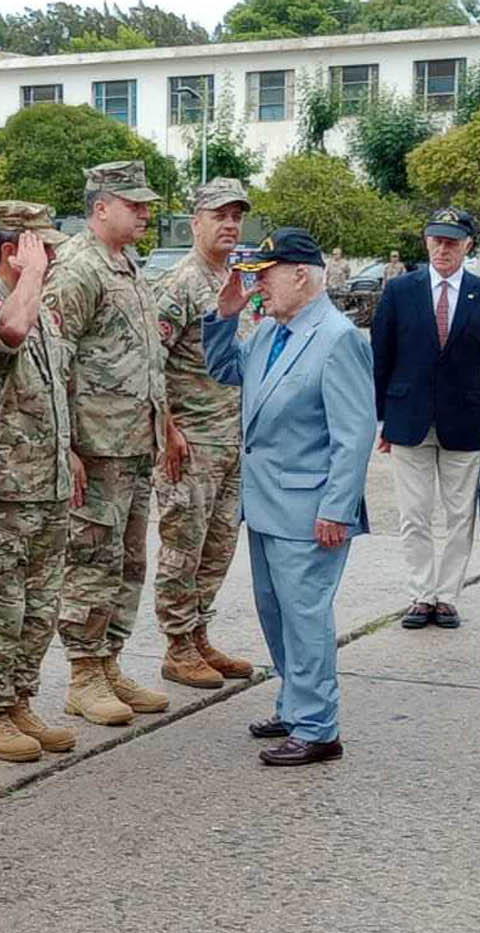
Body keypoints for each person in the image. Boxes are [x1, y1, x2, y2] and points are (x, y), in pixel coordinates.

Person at [203, 228, 376, 766]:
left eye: (266, 276)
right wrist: (225, 315)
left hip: (310, 508)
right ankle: (295, 703)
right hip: (267, 504)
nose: (257, 286)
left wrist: (337, 508)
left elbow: (354, 433)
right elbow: (224, 369)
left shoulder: (337, 338)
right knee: (276, 613)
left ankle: (319, 728)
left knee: (305, 617)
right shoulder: (269, 333)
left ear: (300, 275)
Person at [44, 160, 189, 725]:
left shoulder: (126, 265)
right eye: (134, 204)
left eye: (146, 204)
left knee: (128, 561)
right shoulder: (78, 269)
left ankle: (109, 661)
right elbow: (54, 363)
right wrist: (65, 446)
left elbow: (148, 361)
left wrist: (166, 426)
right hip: (96, 446)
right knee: (90, 561)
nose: (145, 213)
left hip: (133, 444)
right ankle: (83, 673)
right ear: (101, 208)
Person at [0, 201, 79, 763]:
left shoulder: (44, 312)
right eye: (43, 249)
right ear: (13, 252)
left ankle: (19, 700)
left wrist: (69, 453)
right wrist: (29, 276)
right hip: (4, 489)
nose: (53, 259)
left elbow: (53, 390)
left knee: (40, 606)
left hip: (47, 483)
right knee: (2, 606)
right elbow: (7, 333)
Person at [370, 206, 480, 630]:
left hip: (464, 422)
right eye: (436, 240)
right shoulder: (400, 291)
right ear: (426, 241)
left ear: (468, 245)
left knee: (459, 515)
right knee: (414, 515)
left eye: (451, 242)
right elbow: (381, 359)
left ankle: (447, 597)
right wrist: (380, 420)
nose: (442, 249)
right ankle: (421, 594)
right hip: (408, 420)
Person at [150, 178, 257, 688]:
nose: (230, 225)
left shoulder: (237, 279)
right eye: (219, 216)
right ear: (196, 223)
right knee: (182, 547)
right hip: (190, 442)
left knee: (217, 547)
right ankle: (176, 644)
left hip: (232, 438)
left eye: (236, 216)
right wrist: (166, 430)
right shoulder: (181, 283)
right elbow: (151, 362)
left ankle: (198, 633)